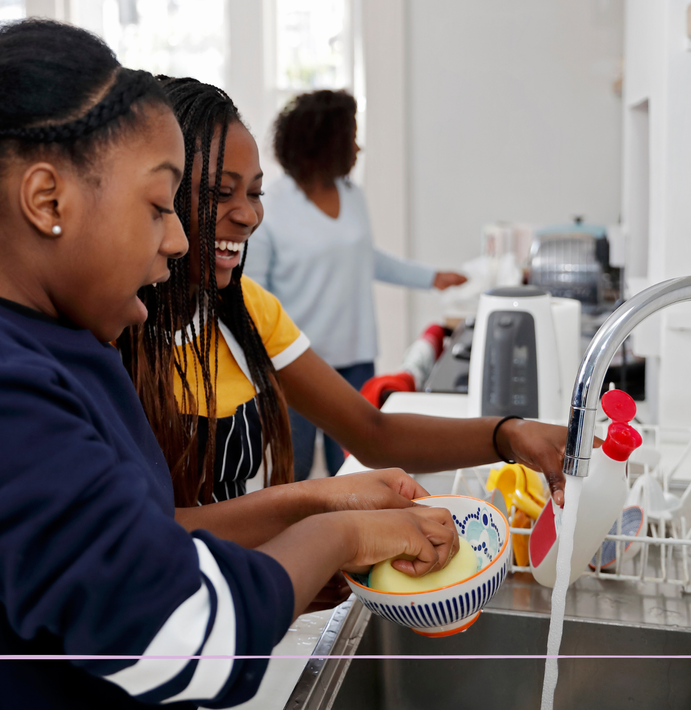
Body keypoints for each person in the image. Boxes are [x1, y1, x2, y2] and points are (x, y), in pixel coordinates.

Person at [0, 20, 459, 710]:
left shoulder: (35, 343)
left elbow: (144, 537)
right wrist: (341, 531)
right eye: (160, 205)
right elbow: (188, 640)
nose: (176, 237)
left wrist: (315, 498)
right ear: (49, 200)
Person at [118, 78, 574, 525]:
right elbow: (153, 531)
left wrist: (509, 434)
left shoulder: (250, 310)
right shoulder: (110, 337)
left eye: (255, 193)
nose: (248, 214)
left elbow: (374, 432)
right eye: (221, 193)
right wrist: (322, 520)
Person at [246, 90, 467, 480]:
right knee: (292, 470)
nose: (358, 147)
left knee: (357, 469)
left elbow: (366, 258)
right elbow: (253, 293)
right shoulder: (273, 205)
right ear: (325, 142)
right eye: (350, 137)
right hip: (294, 363)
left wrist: (431, 278)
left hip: (355, 358)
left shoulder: (352, 195)